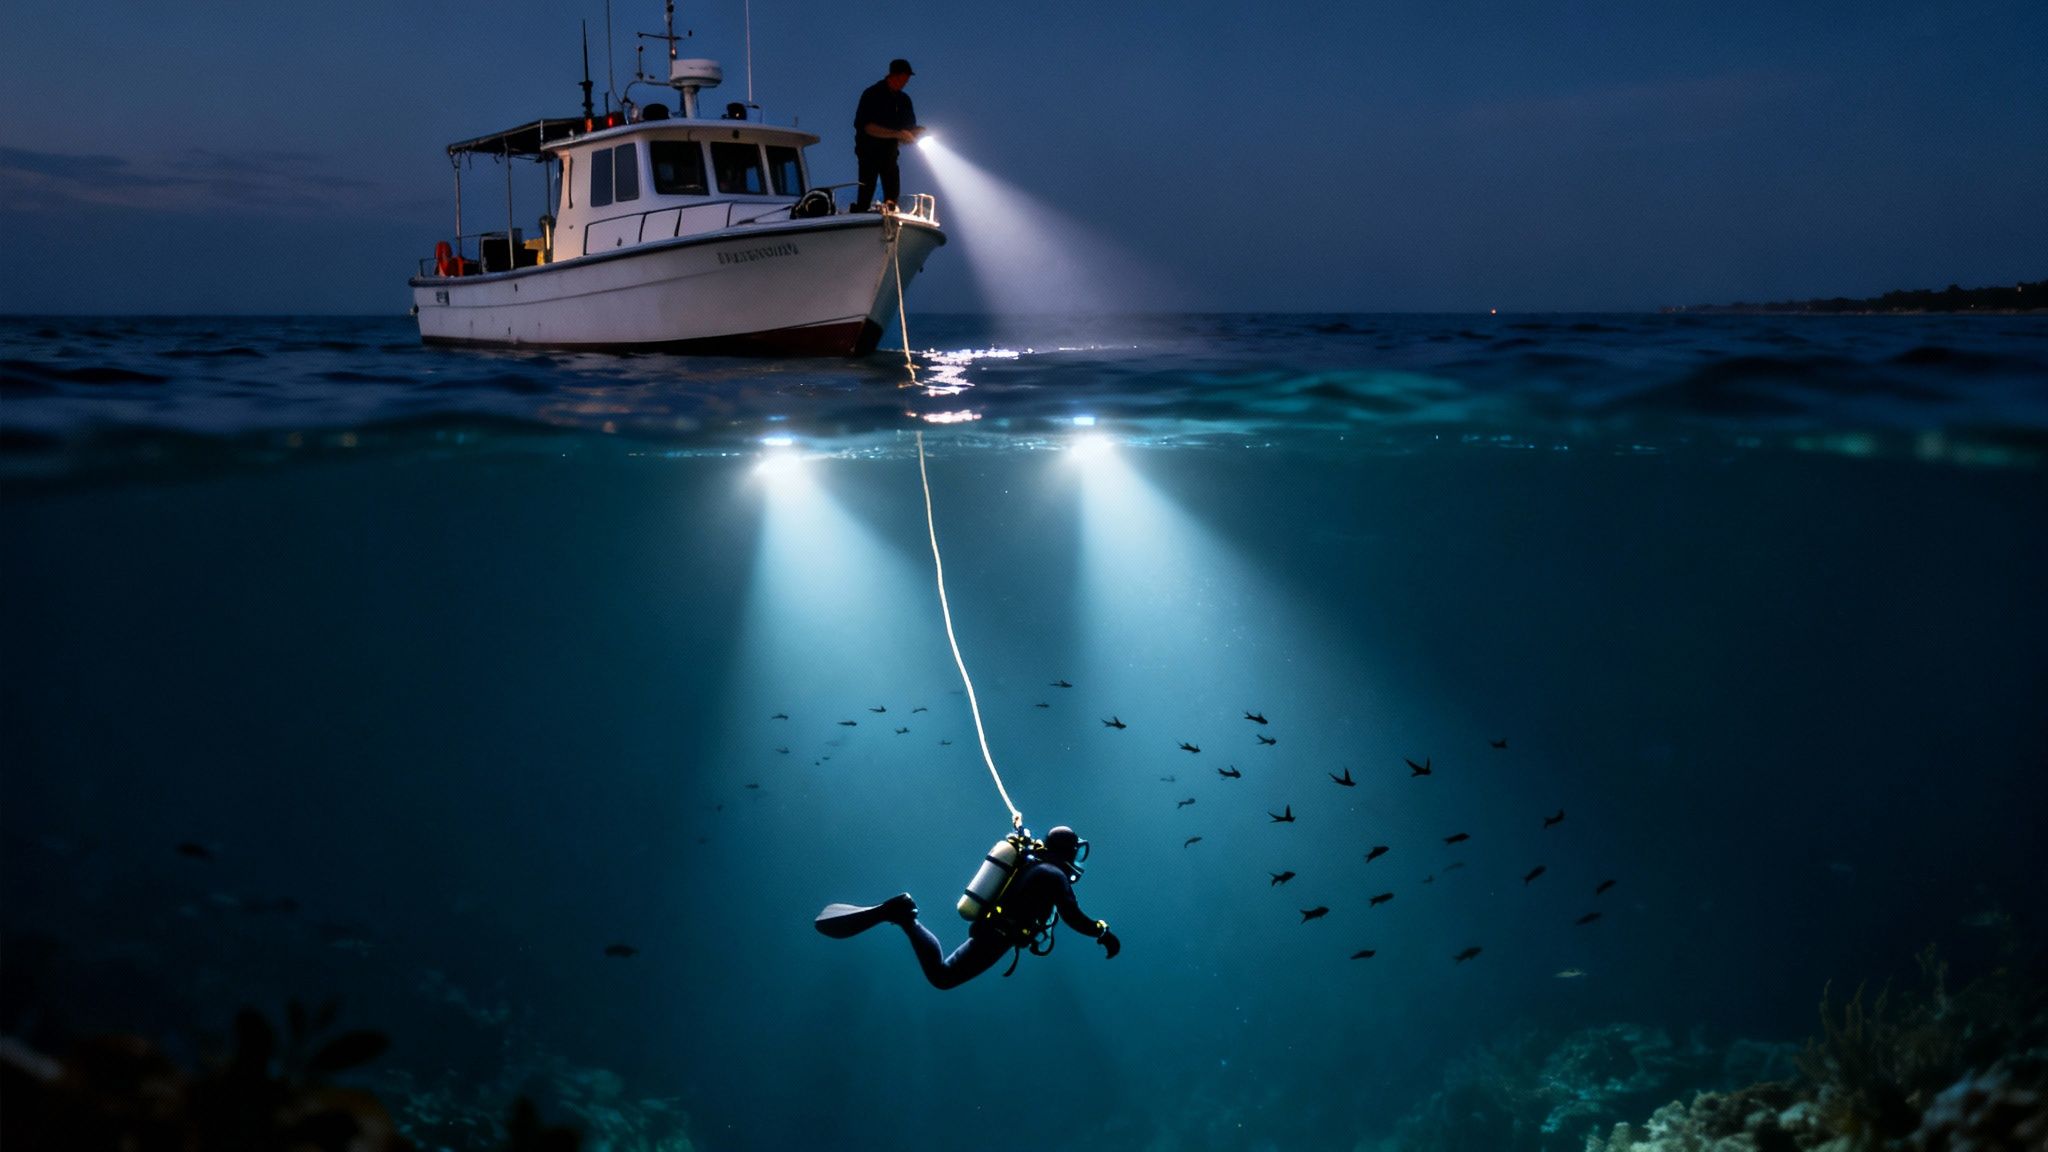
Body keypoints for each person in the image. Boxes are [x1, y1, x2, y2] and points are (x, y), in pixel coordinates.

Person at [816, 825, 1121, 989]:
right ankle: (904, 915)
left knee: (943, 976)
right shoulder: (1053, 876)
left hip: (994, 930)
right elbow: (1073, 917)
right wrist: (1101, 931)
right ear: (1067, 852)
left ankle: (903, 917)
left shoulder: (1035, 865)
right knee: (942, 976)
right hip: (997, 936)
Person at [851, 58, 923, 213]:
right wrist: (897, 134)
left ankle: (890, 218)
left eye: (907, 79)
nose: (905, 82)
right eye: (903, 78)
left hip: (890, 156)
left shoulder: (904, 101)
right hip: (868, 155)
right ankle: (860, 216)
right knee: (865, 194)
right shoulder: (872, 94)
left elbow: (908, 130)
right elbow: (867, 127)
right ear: (893, 76)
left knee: (892, 195)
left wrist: (915, 133)